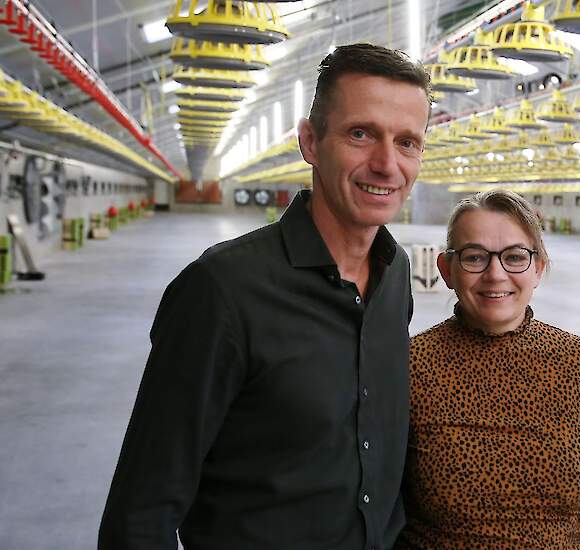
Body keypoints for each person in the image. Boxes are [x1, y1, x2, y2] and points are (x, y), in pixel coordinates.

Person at [98, 43, 431, 549]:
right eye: (361, 134)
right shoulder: (223, 290)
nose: (387, 164)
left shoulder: (395, 274)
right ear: (310, 142)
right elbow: (142, 511)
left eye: (407, 142)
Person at [397, 190, 580, 549]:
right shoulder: (411, 365)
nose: (495, 275)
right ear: (447, 270)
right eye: (475, 257)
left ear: (538, 269)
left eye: (514, 257)